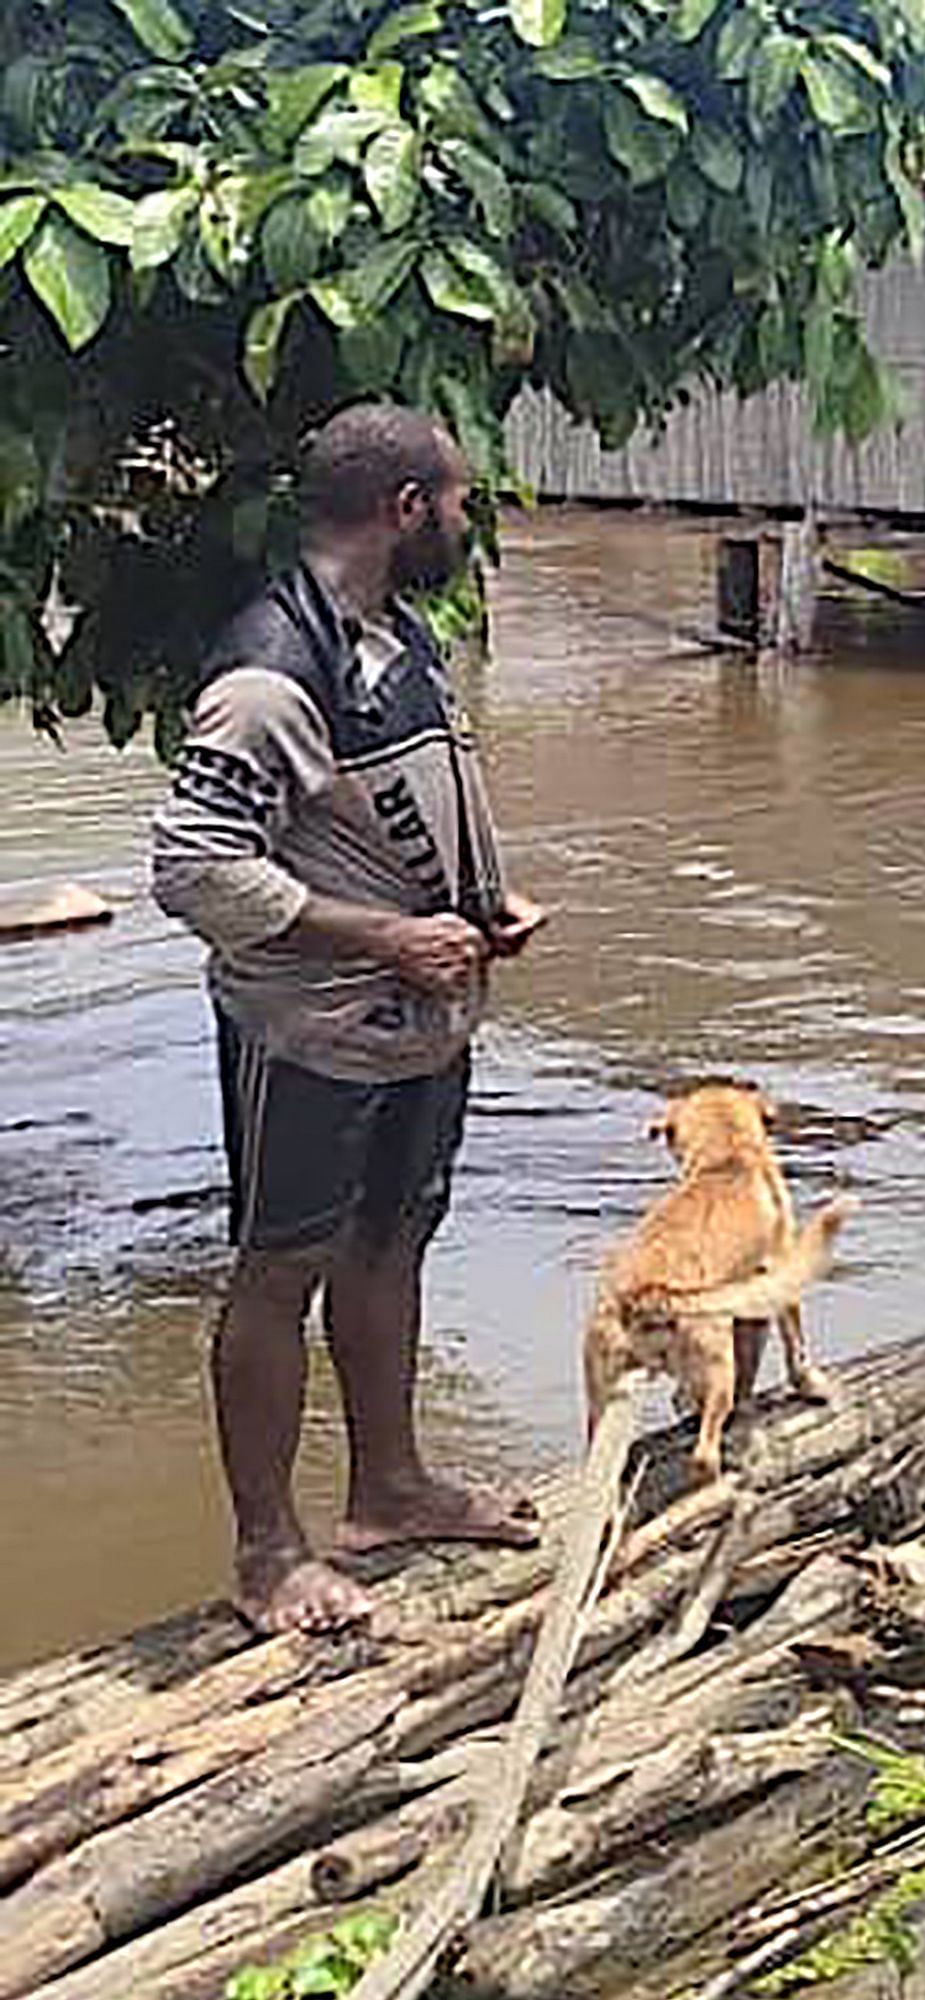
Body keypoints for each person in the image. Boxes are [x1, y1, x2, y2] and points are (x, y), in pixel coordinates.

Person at [150, 401, 549, 1636]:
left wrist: (482, 904)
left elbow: (399, 805)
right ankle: (268, 1551)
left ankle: (390, 1486)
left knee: (393, 1237)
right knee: (281, 1269)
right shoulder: (273, 667)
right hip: (311, 1028)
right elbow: (193, 865)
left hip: (419, 1020)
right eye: (461, 502)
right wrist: (385, 935)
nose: (467, 523)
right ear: (404, 509)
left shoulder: (395, 632)